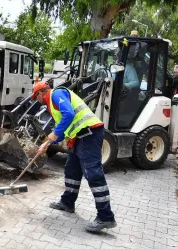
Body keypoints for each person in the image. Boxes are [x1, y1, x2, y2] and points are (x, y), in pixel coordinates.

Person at [32, 82, 117, 233]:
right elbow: (64, 129)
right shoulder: (53, 105)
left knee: (94, 175)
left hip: (89, 134)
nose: (36, 100)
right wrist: (47, 143)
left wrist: (52, 135)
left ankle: (106, 217)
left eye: (35, 97)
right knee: (71, 170)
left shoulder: (55, 94)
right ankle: (67, 202)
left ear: (40, 94)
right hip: (78, 138)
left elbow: (69, 114)